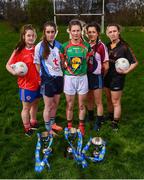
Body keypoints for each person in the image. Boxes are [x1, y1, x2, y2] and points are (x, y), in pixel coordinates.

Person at [6, 24, 41, 136]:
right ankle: (27, 128)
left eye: (33, 35)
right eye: (28, 35)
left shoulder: (37, 48)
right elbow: (8, 65)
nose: (31, 38)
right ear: (23, 37)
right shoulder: (19, 50)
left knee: (35, 104)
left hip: (38, 83)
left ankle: (33, 121)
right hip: (26, 85)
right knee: (26, 108)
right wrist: (14, 72)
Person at [60, 19, 91, 136]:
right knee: (70, 104)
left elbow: (87, 61)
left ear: (81, 31)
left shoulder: (86, 46)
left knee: (82, 104)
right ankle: (69, 126)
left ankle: (81, 126)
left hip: (83, 78)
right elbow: (62, 63)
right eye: (73, 31)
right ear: (69, 31)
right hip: (69, 78)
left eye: (78, 30)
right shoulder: (64, 46)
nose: (76, 33)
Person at [104, 23, 138, 131]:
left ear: (118, 32)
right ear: (107, 34)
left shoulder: (124, 47)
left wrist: (126, 71)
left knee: (115, 101)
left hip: (117, 78)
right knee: (108, 98)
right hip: (106, 77)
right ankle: (110, 115)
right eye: (110, 32)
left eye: (114, 31)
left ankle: (115, 122)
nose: (113, 34)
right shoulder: (107, 46)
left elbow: (135, 62)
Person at [34, 21, 63, 134]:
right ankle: (48, 128)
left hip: (59, 78)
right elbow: (37, 64)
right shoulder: (39, 46)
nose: (50, 34)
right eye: (48, 32)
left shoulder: (59, 45)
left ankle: (53, 123)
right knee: (48, 105)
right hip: (47, 80)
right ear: (44, 33)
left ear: (55, 32)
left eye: (52, 32)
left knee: (55, 103)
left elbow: (62, 61)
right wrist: (42, 76)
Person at [86, 22, 109, 131]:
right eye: (89, 32)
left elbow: (106, 65)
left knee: (98, 101)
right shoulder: (85, 45)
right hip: (86, 76)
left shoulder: (101, 46)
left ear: (98, 33)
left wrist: (100, 75)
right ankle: (90, 117)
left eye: (93, 32)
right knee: (89, 99)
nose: (91, 34)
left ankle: (99, 121)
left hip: (97, 76)